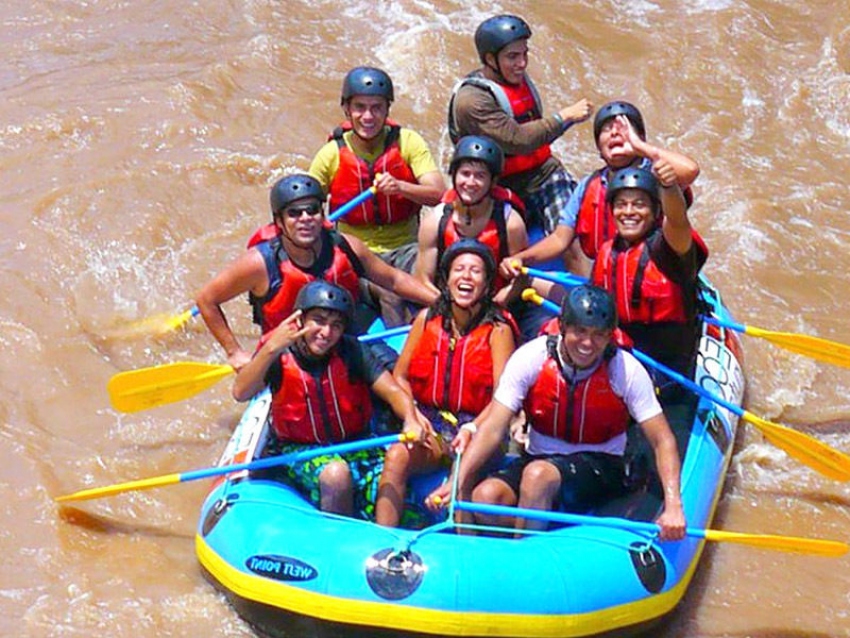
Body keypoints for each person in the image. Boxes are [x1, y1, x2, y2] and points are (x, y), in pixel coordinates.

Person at [445, 284, 686, 539]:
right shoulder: (531, 358)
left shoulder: (624, 369)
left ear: (609, 336)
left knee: (537, 476)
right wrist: (456, 482)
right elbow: (493, 428)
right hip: (539, 457)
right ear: (562, 327)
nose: (588, 343)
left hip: (602, 466)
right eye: (580, 331)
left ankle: (523, 556)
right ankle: (535, 526)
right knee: (485, 498)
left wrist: (674, 506)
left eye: (599, 335)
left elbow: (662, 440)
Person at [194, 174, 437, 370]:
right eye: (294, 213)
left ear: (322, 214)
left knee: (398, 373)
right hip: (289, 353)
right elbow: (207, 300)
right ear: (278, 222)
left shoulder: (345, 246)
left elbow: (394, 279)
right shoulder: (258, 264)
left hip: (344, 340)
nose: (305, 219)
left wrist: (443, 302)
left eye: (312, 210)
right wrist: (234, 352)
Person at [232, 281, 430, 519]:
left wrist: (410, 418)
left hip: (357, 444)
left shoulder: (352, 351)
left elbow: (393, 391)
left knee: (402, 505)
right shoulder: (278, 355)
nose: (326, 333)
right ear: (301, 320)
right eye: (319, 320)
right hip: (299, 449)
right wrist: (271, 348)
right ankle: (339, 536)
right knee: (336, 474)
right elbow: (240, 392)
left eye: (336, 325)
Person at [375, 239, 517, 527]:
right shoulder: (427, 319)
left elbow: (504, 396)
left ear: (488, 283)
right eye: (459, 270)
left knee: (461, 482)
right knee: (396, 456)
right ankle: (383, 540)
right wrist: (411, 416)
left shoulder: (499, 329)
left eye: (476, 271)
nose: (466, 276)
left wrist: (473, 427)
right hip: (432, 424)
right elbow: (400, 376)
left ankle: (466, 552)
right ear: (446, 279)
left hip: (479, 428)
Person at [309, 66, 446, 325]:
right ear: (347, 110)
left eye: (377, 108)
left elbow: (439, 193)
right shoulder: (331, 154)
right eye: (360, 107)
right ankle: (399, 357)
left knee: (443, 272)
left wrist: (401, 187)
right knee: (389, 292)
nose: (368, 116)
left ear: (387, 110)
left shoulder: (408, 142)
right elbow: (305, 204)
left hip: (407, 247)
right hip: (358, 254)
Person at [504, 100, 700, 278]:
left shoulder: (658, 173)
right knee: (530, 284)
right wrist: (522, 258)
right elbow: (559, 239)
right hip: (610, 277)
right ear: (599, 148)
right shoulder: (588, 186)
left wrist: (640, 147)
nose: (615, 133)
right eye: (607, 129)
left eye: (624, 129)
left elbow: (690, 171)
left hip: (655, 275)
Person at [447, 14, 592, 241]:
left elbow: (538, 135)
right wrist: (564, 116)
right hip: (496, 185)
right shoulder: (472, 100)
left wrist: (566, 121)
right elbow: (518, 140)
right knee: (492, 248)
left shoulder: (517, 79)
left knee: (572, 237)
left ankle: (589, 276)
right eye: (512, 57)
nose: (522, 63)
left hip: (543, 175)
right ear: (490, 59)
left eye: (525, 54)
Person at [590, 165, 708, 384]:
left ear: (655, 211)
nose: (628, 212)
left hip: (670, 360)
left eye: (639, 204)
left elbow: (677, 219)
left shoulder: (668, 248)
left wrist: (668, 186)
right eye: (621, 205)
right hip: (622, 348)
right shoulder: (607, 251)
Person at [414, 134, 528, 307]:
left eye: (480, 176)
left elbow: (520, 280)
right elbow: (424, 279)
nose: (470, 183)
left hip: (494, 304)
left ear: (493, 182)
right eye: (465, 174)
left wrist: (494, 305)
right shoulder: (434, 222)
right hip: (447, 304)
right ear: (454, 176)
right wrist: (450, 309)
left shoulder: (510, 223)